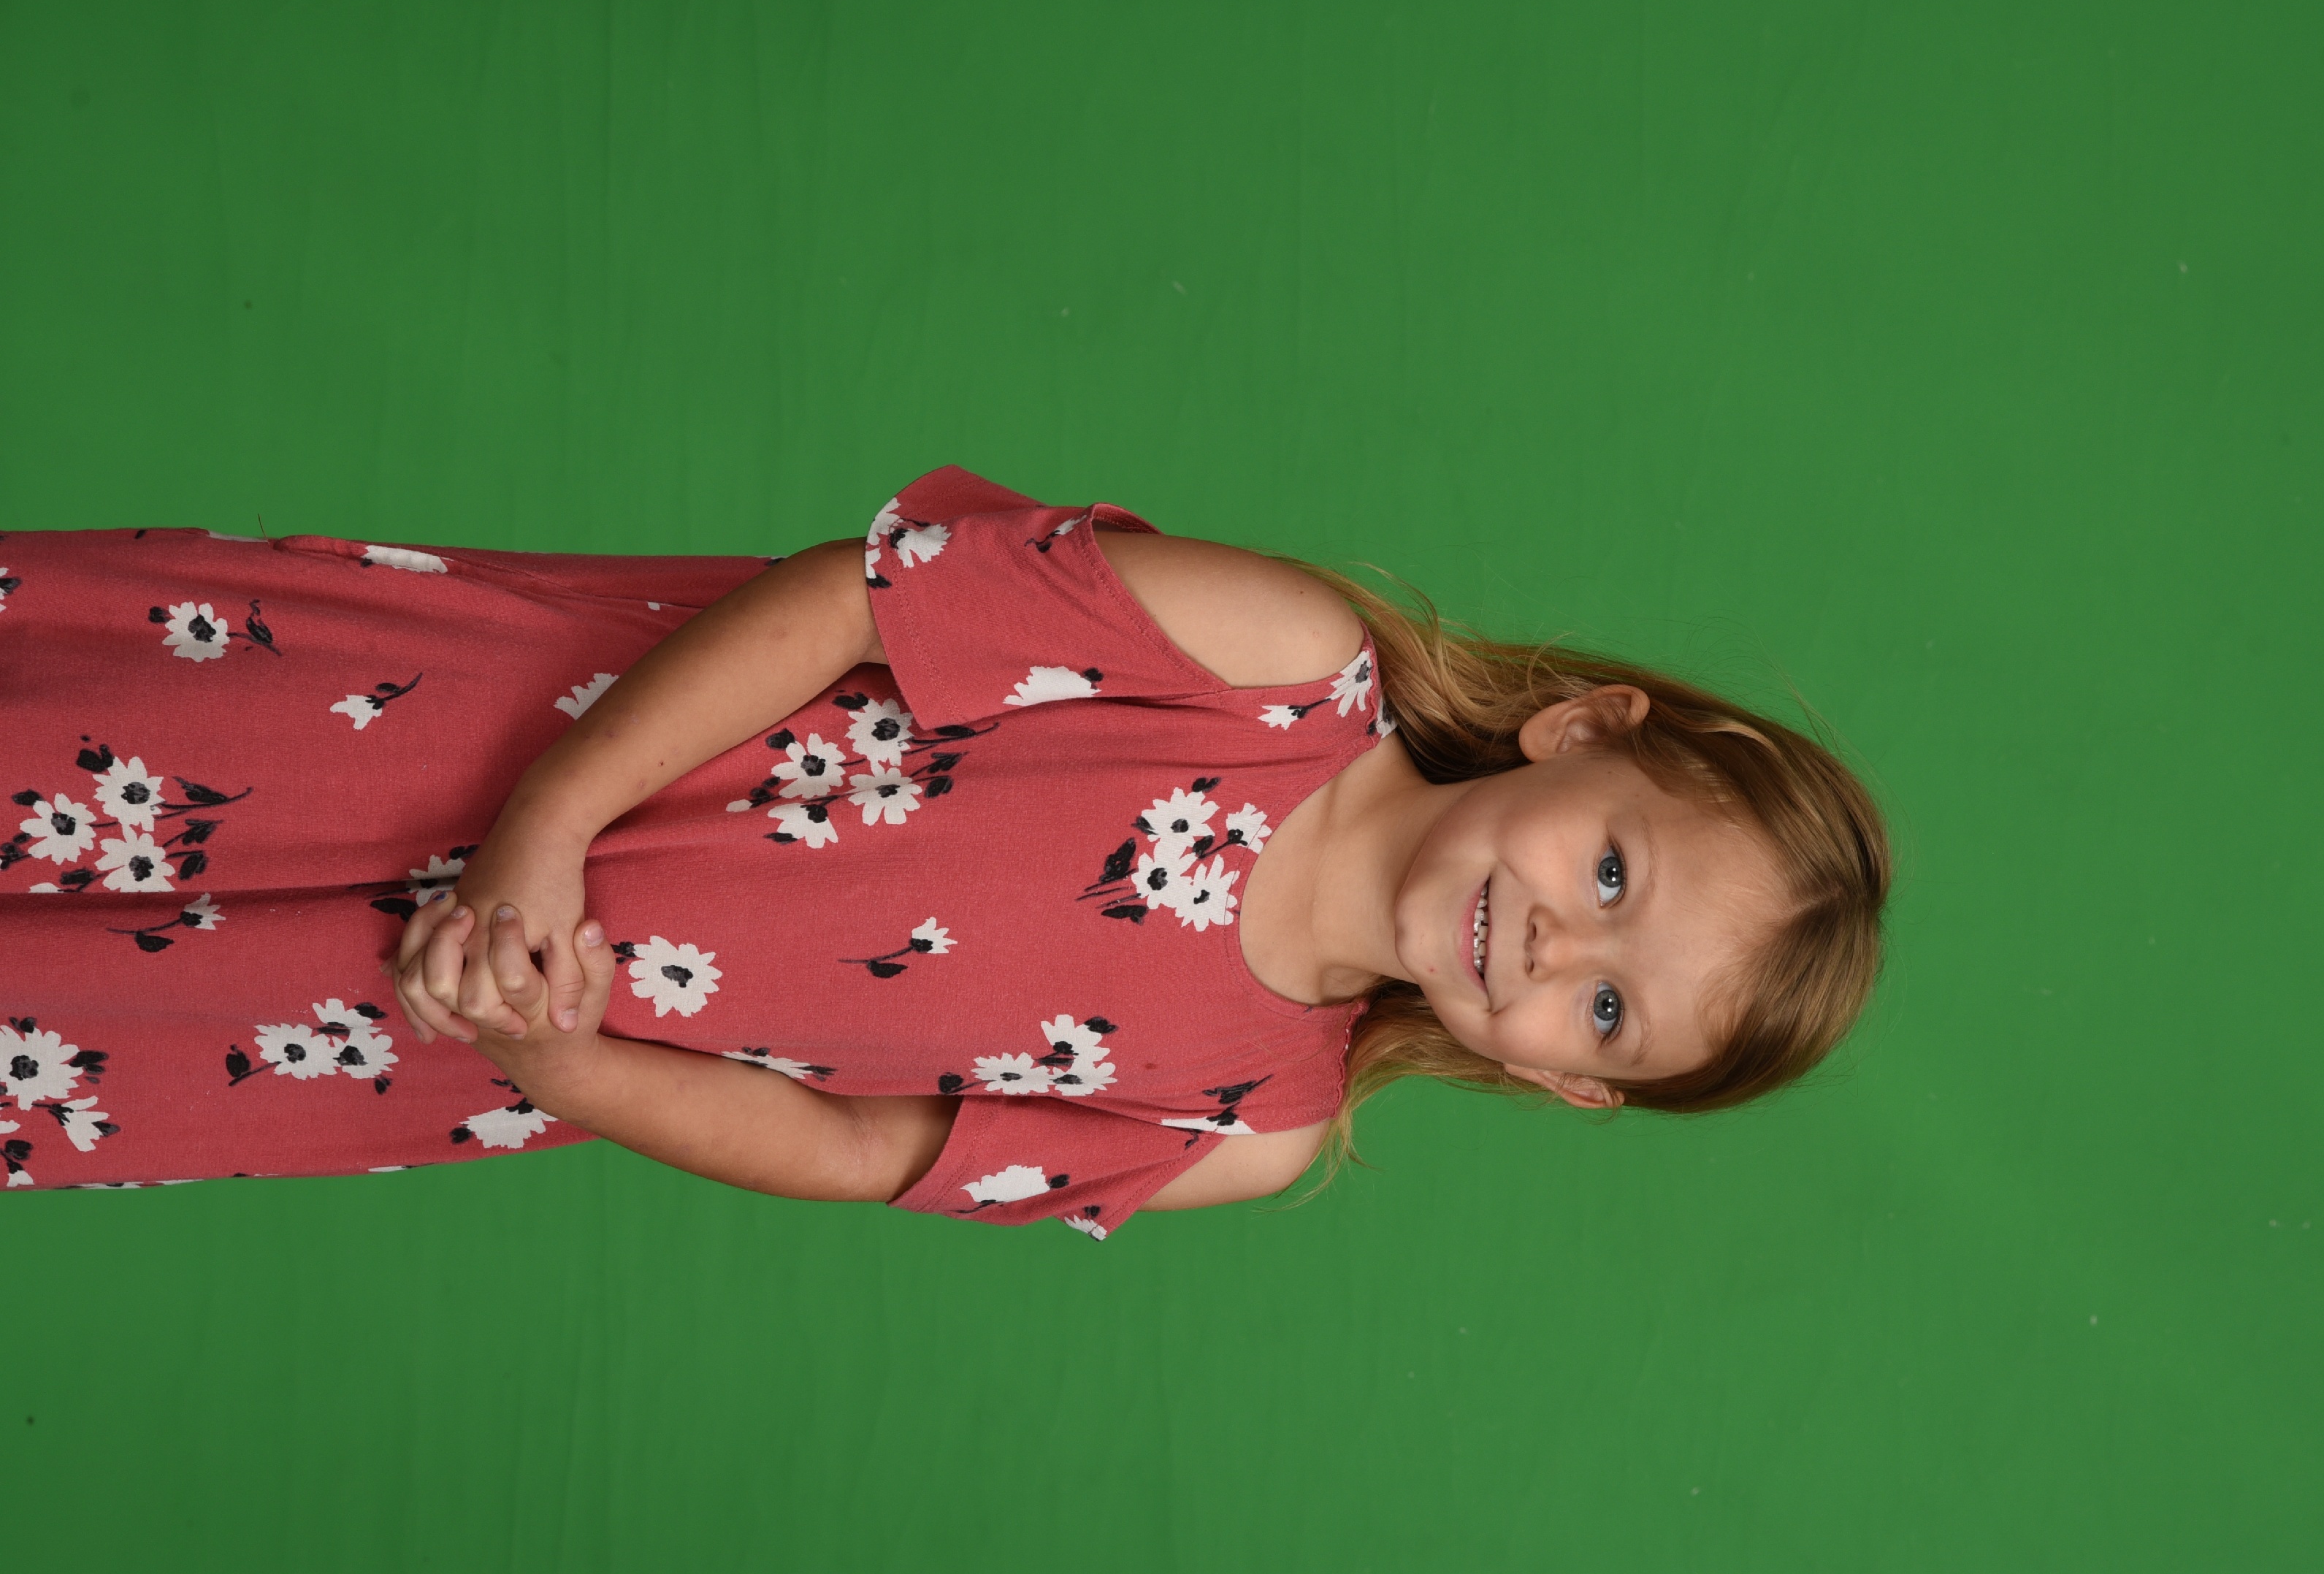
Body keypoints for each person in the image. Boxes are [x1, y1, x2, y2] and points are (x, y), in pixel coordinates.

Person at [1, 466, 1888, 1232]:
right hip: (472, 729)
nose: (1554, 947)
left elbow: (858, 1148)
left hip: (453, 1012)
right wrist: (551, 821)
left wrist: (557, 1064)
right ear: (1584, 732)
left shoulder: (1245, 1125)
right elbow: (850, 599)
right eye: (1612, 877)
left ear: (1570, 1086)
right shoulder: (1278, 660)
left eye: (1609, 1011)